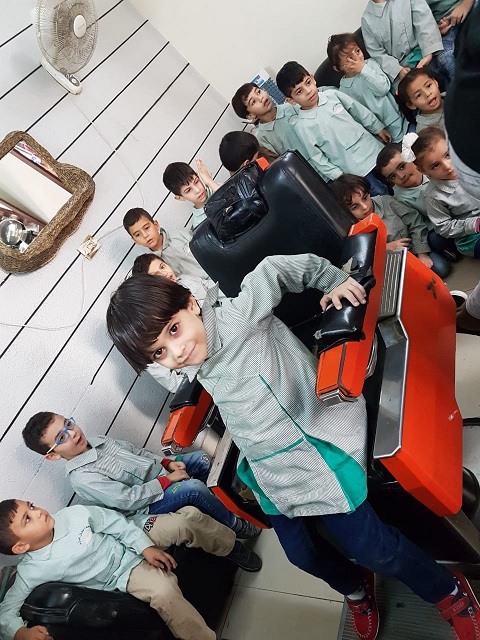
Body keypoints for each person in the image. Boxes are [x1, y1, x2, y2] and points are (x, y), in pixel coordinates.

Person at [106, 257, 480, 640]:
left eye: (174, 329)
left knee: (373, 549)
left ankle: (447, 590)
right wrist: (149, 349)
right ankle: (356, 587)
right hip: (268, 466)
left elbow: (273, 269)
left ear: (191, 303)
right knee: (302, 556)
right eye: (159, 351)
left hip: (314, 443)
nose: (178, 351)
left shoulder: (240, 316)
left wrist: (333, 281)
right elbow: (167, 370)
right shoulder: (191, 363)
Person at [0, 499, 261, 640]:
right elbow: (6, 610)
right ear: (21, 547)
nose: (37, 512)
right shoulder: (33, 571)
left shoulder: (73, 514)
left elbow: (116, 524)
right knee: (164, 592)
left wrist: (145, 547)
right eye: (27, 519)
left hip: (134, 533)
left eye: (31, 506)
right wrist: (19, 632)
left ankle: (230, 548)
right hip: (125, 573)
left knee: (183, 521)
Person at [22, 412, 259, 538]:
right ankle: (236, 525)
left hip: (161, 474)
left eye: (68, 425)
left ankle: (230, 502)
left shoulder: (97, 440)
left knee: (201, 459)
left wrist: (167, 462)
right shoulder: (82, 477)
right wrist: (167, 480)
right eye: (61, 438)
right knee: (193, 489)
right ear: (53, 456)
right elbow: (127, 499)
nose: (73, 434)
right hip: (147, 504)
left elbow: (138, 452)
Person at [275, 61, 389, 195]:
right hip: (356, 171)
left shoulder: (331, 95)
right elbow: (318, 158)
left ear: (312, 78)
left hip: (373, 149)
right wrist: (340, 177)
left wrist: (378, 128)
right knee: (382, 194)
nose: (308, 91)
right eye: (299, 91)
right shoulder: (303, 127)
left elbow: (358, 111)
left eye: (308, 83)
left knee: (397, 177)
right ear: (291, 100)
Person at [132, 253, 224, 391]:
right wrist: (199, 380)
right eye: (156, 276)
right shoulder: (147, 331)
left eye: (163, 266)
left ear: (191, 303)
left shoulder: (187, 281)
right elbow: (173, 383)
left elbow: (220, 296)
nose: (164, 274)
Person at [331, 173, 450, 276]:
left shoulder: (387, 201)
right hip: (391, 266)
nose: (365, 207)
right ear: (345, 210)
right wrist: (385, 248)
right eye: (355, 207)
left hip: (414, 249)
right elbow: (361, 260)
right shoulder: (352, 229)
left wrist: (422, 253)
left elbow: (415, 222)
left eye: (365, 198)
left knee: (441, 268)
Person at [376, 142, 458, 261]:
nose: (401, 176)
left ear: (411, 158)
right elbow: (418, 223)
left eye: (402, 166)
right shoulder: (399, 198)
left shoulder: (430, 168)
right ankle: (450, 248)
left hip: (458, 208)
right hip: (438, 224)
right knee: (435, 239)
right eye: (393, 176)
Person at [408, 126, 480, 257]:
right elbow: (443, 227)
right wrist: (473, 224)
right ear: (423, 171)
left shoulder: (471, 161)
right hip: (471, 236)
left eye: (448, 154)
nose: (447, 166)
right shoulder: (434, 196)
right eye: (435, 165)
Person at [327, 32, 408, 142]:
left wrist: (363, 70)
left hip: (400, 118)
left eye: (357, 51)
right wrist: (377, 129)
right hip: (381, 133)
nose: (357, 58)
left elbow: (383, 88)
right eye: (349, 59)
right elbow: (359, 115)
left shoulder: (370, 64)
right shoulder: (344, 90)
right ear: (337, 68)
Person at [361, 0, 445, 86]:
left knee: (446, 62)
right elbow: (376, 53)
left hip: (426, 51)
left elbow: (423, 18)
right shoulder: (367, 19)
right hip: (403, 67)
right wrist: (398, 70)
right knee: (411, 88)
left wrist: (429, 51)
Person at [123, 208, 206, 279]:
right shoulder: (153, 265)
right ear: (135, 241)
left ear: (156, 225)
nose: (145, 235)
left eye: (147, 228)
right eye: (138, 235)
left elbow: (205, 246)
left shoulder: (179, 235)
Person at [231, 82, 310, 158]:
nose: (260, 98)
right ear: (251, 115)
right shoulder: (262, 138)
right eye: (253, 102)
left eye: (258, 92)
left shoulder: (290, 106)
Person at [162, 160, 219, 231]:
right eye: (188, 190)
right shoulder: (199, 224)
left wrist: (210, 182)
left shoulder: (215, 187)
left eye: (196, 181)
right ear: (180, 198)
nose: (197, 190)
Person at [425, 0, 475, 80]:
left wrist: (466, 4)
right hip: (446, 24)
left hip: (468, 5)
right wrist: (437, 28)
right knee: (444, 58)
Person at [397, 67, 445, 132]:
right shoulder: (425, 131)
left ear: (435, 82)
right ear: (411, 104)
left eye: (428, 86)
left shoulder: (452, 95)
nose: (427, 94)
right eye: (419, 95)